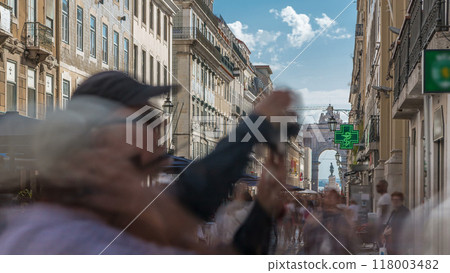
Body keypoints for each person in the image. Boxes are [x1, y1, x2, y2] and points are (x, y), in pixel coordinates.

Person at [0, 71, 295, 254]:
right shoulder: (59, 239)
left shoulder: (117, 218)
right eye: (143, 119)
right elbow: (189, 200)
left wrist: (263, 210)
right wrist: (251, 128)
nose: (157, 131)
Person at [302, 189, 357, 255]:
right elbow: (306, 233)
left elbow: (351, 237)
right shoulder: (318, 214)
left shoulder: (343, 215)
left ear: (337, 200)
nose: (330, 199)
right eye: (328, 197)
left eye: (333, 197)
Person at [376, 180, 391, 246]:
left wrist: (378, 224)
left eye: (379, 186)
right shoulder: (383, 197)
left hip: (383, 224)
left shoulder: (385, 197)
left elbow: (384, 212)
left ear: (384, 187)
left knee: (382, 244)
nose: (377, 187)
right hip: (382, 224)